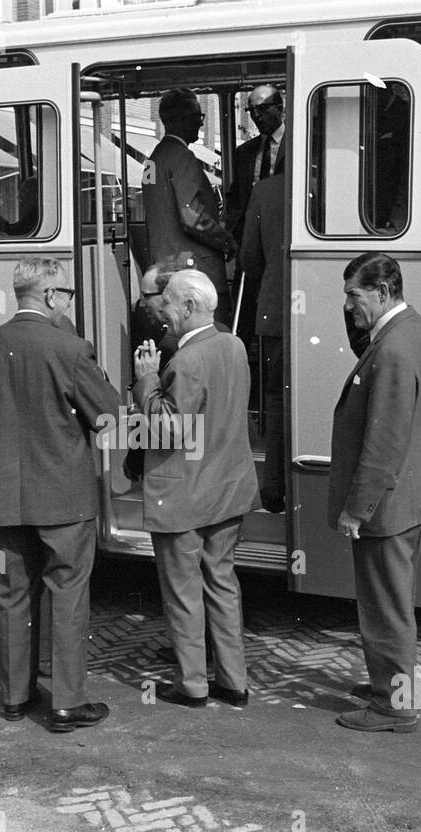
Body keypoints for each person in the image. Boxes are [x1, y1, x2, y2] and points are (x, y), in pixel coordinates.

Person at [0, 257, 122, 733]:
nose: (68, 303)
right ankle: (66, 703)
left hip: (4, 498)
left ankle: (14, 698)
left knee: (10, 595)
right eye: (66, 294)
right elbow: (109, 416)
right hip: (65, 499)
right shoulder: (71, 349)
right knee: (68, 594)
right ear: (47, 295)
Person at [132, 269, 257, 709]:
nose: (161, 309)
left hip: (184, 497)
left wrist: (145, 379)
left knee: (184, 594)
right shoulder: (233, 345)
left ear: (187, 308)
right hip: (227, 490)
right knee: (222, 584)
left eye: (166, 302)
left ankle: (192, 684)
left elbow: (166, 431)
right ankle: (233, 680)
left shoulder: (185, 362)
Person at [331, 253, 421, 734]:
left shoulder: (393, 349)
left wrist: (357, 509)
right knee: (394, 602)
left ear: (381, 291)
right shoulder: (416, 331)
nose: (349, 306)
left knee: (384, 608)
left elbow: (383, 442)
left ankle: (392, 706)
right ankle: (390, 685)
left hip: (387, 505)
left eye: (354, 296)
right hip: (411, 497)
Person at [143, 89, 236, 330]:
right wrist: (226, 240)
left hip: (163, 268)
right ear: (183, 118)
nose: (200, 123)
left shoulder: (154, 158)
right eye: (198, 117)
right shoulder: (182, 157)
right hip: (194, 268)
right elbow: (191, 216)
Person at [239, 170, 287, 513]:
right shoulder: (334, 179)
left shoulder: (265, 190)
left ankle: (274, 489)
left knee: (275, 400)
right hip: (327, 311)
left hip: (275, 309)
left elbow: (249, 259)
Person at [226, 85, 285, 243]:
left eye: (263, 108)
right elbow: (236, 196)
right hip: (249, 234)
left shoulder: (296, 146)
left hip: (282, 231)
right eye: (251, 110)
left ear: (279, 109)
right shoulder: (245, 151)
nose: (257, 115)